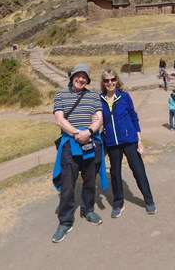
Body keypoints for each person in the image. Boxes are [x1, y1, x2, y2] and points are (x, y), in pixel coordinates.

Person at [52, 63, 107, 243]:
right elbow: (59, 119)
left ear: (88, 80)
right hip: (71, 142)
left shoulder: (93, 96)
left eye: (84, 77)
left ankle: (88, 210)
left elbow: (99, 117)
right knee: (68, 184)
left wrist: (89, 132)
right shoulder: (60, 94)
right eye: (78, 75)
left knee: (90, 181)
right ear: (72, 76)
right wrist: (77, 133)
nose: (81, 79)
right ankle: (65, 221)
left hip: (91, 141)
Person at [100, 68, 157, 218]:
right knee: (115, 174)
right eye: (106, 80)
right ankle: (118, 203)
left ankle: (149, 200)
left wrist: (139, 140)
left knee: (139, 171)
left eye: (112, 79)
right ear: (103, 83)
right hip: (112, 142)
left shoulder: (124, 97)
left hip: (129, 140)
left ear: (117, 80)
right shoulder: (100, 99)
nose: (110, 83)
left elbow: (133, 117)